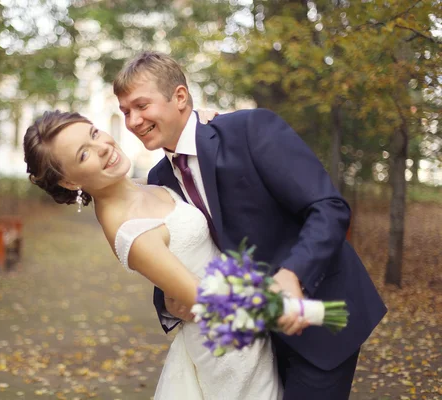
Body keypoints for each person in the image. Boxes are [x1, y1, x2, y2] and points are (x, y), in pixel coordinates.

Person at [113, 51, 387, 400]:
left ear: (180, 97)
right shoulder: (158, 177)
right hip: (250, 344)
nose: (133, 120)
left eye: (141, 106)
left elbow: (328, 208)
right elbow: (182, 250)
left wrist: (293, 275)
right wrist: (169, 303)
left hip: (319, 315)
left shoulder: (250, 129)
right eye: (125, 112)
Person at [23, 110, 291, 399]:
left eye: (94, 133)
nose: (102, 147)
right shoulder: (131, 230)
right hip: (233, 344)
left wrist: (199, 125)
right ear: (69, 182)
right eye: (83, 155)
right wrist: (294, 306)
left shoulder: (145, 185)